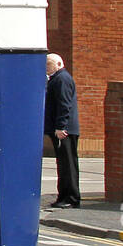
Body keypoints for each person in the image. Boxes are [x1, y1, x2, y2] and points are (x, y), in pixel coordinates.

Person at [44, 53, 80, 208]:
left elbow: (64, 105)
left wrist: (61, 127)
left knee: (68, 164)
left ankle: (72, 198)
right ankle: (63, 196)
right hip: (60, 129)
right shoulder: (56, 79)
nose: (46, 67)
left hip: (64, 131)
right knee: (62, 164)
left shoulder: (62, 79)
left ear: (59, 63)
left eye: (49, 64)